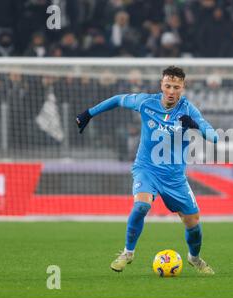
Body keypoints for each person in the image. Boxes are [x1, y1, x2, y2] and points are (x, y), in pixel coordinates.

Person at [76, 66, 218, 274]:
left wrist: (195, 125)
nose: (171, 91)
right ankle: (127, 252)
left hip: (174, 177)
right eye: (167, 86)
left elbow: (214, 136)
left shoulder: (189, 110)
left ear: (183, 88)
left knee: (193, 224)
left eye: (176, 87)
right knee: (141, 206)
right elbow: (117, 99)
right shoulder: (145, 102)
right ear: (161, 85)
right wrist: (89, 113)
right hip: (147, 169)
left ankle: (194, 258)